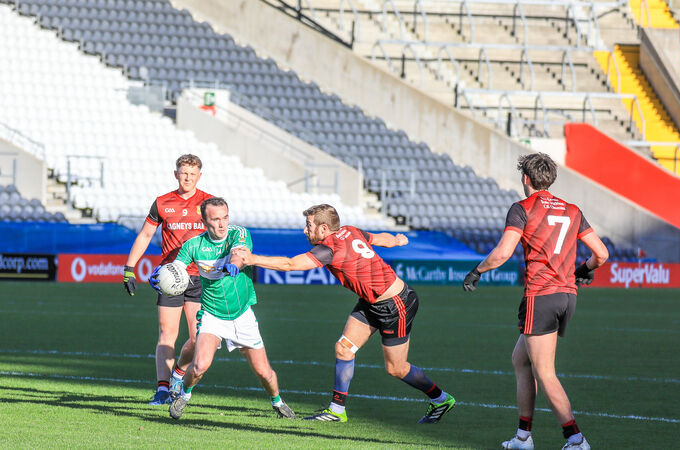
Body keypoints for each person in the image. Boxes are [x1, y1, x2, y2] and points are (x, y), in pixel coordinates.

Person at [233, 204, 455, 424]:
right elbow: (381, 239)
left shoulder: (328, 248)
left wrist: (253, 259)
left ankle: (440, 398)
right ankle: (337, 410)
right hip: (372, 302)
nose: (304, 230)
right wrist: (396, 240)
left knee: (396, 368)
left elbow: (291, 264)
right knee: (343, 349)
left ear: (323, 229)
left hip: (396, 305)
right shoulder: (351, 230)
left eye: (308, 225)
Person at [462, 153, 608, 450]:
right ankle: (523, 437)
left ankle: (576, 439)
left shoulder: (522, 209)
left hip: (541, 295)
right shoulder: (572, 210)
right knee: (521, 359)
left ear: (526, 179)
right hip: (567, 295)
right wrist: (583, 270)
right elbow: (601, 254)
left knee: (545, 371)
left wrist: (477, 270)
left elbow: (503, 253)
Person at [150, 197, 296, 420]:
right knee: (199, 366)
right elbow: (176, 269)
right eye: (216, 219)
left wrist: (234, 265)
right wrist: (162, 278)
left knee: (264, 373)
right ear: (204, 220)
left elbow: (240, 254)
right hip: (212, 314)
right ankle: (184, 395)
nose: (222, 224)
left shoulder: (238, 233)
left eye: (225, 218)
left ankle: (277, 401)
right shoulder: (193, 245)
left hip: (242, 315)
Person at [122, 154, 213, 405]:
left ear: (199, 176)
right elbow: (145, 235)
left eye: (192, 174)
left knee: (198, 338)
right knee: (166, 335)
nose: (188, 178)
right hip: (170, 278)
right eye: (184, 173)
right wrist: (130, 268)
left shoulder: (208, 202)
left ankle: (178, 375)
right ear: (176, 174)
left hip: (199, 277)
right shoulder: (162, 203)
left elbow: (220, 237)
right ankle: (162, 390)